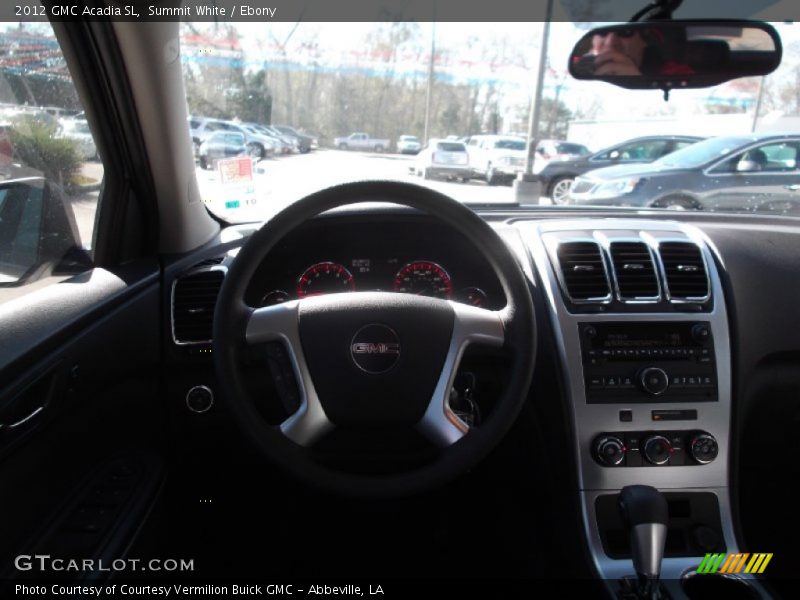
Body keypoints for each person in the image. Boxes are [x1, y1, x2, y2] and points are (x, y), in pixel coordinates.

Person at [576, 27, 695, 77]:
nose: (610, 42)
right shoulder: (579, 69)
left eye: (626, 31)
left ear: (644, 40)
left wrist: (637, 82)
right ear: (592, 40)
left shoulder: (675, 74)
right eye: (602, 32)